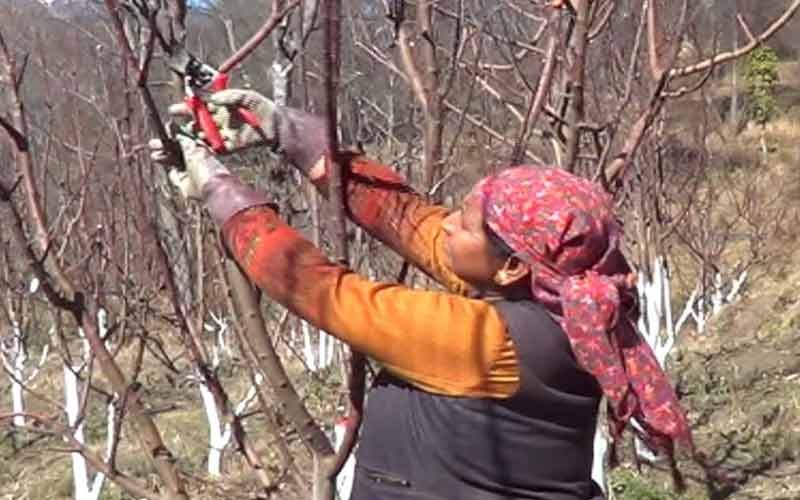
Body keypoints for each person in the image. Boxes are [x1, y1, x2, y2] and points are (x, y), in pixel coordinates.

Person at [150, 89, 693, 500]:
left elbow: (325, 291)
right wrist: (288, 131)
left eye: (467, 222)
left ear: (509, 267)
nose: (449, 222)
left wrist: (218, 189)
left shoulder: (487, 343)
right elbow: (408, 218)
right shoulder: (562, 294)